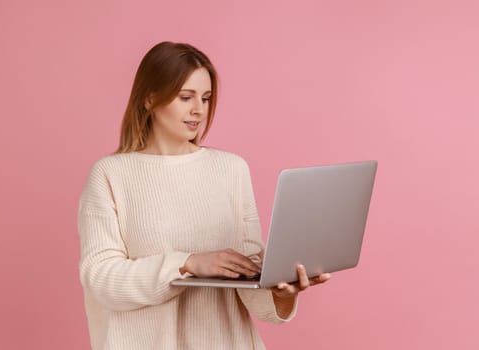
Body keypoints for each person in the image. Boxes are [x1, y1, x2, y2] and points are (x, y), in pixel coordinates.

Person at [77, 41, 331, 350]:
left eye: (206, 98)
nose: (199, 110)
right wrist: (187, 264)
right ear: (149, 99)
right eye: (186, 97)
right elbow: (101, 280)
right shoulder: (110, 174)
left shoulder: (231, 169)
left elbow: (246, 275)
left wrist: (280, 290)